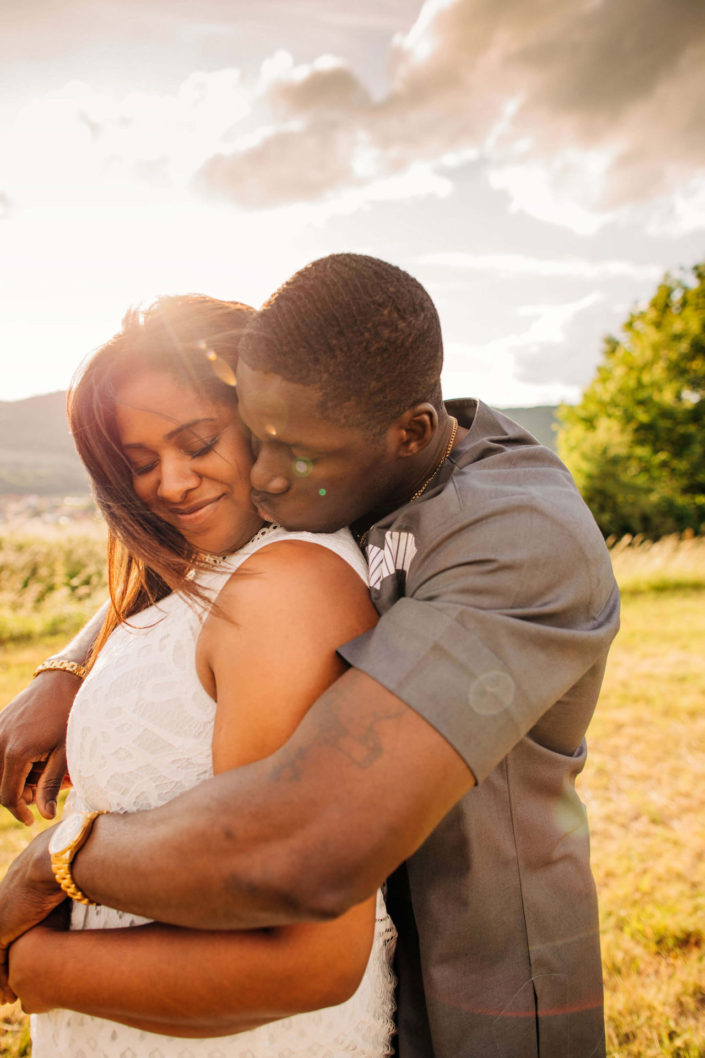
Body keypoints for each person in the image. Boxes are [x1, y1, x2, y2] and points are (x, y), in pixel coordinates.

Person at [0, 254, 620, 1058]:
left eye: (275, 449)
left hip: (473, 977)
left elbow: (306, 849)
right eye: (251, 437)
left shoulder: (515, 541)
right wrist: (75, 664)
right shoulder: (343, 464)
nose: (257, 477)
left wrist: (49, 872)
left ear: (410, 434)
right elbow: (221, 563)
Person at [0, 293, 397, 1056]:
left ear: (267, 420)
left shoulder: (286, 594)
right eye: (139, 462)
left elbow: (307, 959)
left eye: (198, 441)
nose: (171, 484)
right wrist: (68, 668)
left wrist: (29, 958)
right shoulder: (210, 568)